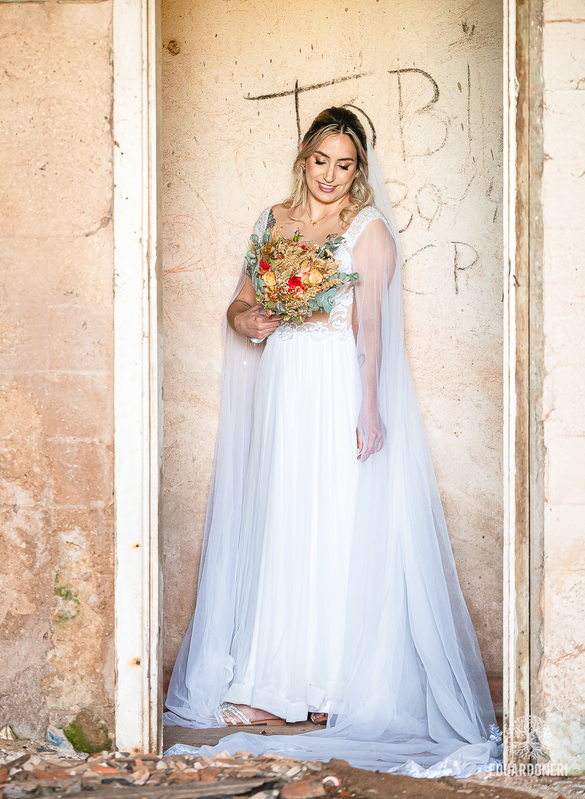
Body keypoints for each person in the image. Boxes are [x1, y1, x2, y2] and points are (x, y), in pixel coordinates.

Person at [161, 107, 501, 778]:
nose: (330, 176)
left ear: (358, 170)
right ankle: (272, 683)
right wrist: (251, 316)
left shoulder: (367, 230)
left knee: (336, 525)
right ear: (305, 156)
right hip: (286, 388)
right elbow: (237, 302)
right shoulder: (274, 221)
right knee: (284, 522)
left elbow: (371, 328)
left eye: (345, 165)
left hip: (338, 390)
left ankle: (332, 690)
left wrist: (370, 406)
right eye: (322, 160)